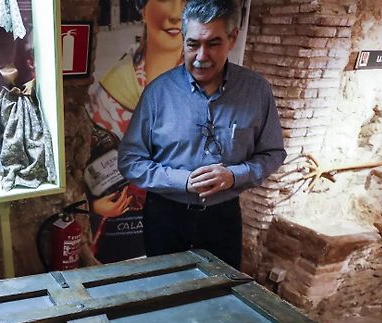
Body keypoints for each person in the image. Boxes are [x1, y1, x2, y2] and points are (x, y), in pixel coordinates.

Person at [117, 0, 286, 269]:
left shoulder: (256, 91)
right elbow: (130, 161)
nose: (201, 56)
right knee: (165, 292)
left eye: (213, 43)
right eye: (193, 44)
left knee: (220, 295)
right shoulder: (158, 93)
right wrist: (183, 181)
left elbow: (273, 153)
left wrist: (234, 175)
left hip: (223, 217)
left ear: (232, 38)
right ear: (183, 40)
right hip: (165, 216)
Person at [85, 0, 185, 264]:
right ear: (142, 7)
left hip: (178, 227)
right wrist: (94, 206)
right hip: (119, 236)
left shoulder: (203, 87)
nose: (176, 14)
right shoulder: (109, 94)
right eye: (165, 0)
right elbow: (89, 168)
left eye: (186, 1)